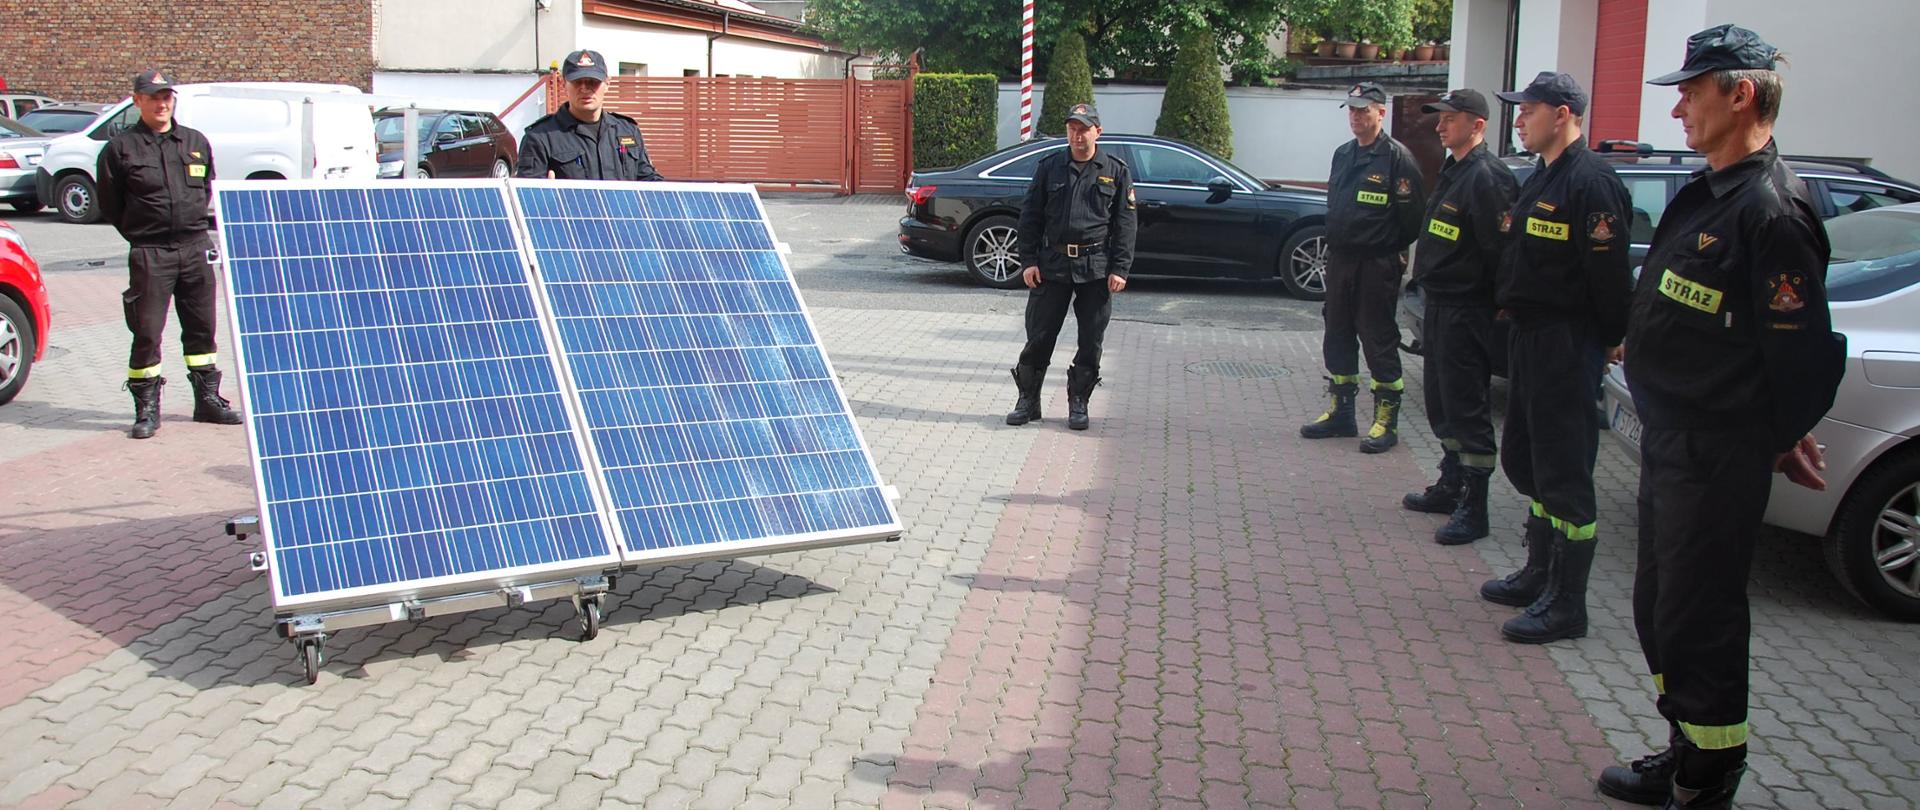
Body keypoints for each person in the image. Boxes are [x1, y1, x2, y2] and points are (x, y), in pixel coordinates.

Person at [1596, 25, 1843, 809]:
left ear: (1740, 95)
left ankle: (1709, 780)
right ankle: (1685, 743)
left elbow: (1802, 357)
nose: (1677, 110)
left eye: (1691, 92)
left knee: (1699, 617)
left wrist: (1774, 434)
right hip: (1676, 439)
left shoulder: (1771, 211)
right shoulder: (1712, 190)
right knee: (1661, 607)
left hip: (1716, 449)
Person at [1478, 72, 1632, 644]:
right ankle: (1539, 573)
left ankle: (1567, 603)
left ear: (1563, 114)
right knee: (1530, 459)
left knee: (1564, 468)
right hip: (1529, 336)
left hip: (1567, 341)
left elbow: (1608, 276)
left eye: (1529, 110)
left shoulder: (1592, 182)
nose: (1519, 120)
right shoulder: (1543, 174)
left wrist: (1611, 336)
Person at [96, 68, 242, 440]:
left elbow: (206, 189)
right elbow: (111, 204)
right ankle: (147, 410)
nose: (162, 104)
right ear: (137, 101)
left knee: (202, 329)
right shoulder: (120, 149)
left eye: (166, 97)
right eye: (153, 97)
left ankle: (207, 401)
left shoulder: (194, 141)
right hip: (151, 252)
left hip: (195, 248)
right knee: (147, 332)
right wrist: (143, 234)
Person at [1400, 89, 1518, 545]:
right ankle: (1451, 483)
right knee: (1442, 402)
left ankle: (1475, 506)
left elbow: (1501, 252)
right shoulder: (1455, 170)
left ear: (1477, 125)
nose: (1440, 126)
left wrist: (1495, 304)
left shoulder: (1487, 177)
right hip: (1440, 306)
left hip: (1468, 310)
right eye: (1440, 118)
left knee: (1467, 408)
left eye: (1450, 118)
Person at [1301, 82, 1425, 453]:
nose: (1355, 116)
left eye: (1363, 110)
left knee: (1377, 337)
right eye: (1352, 110)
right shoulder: (1343, 154)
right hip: (1341, 260)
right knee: (1337, 333)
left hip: (1377, 263)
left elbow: (1411, 220)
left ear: (1381, 112)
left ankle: (1385, 421)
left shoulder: (1398, 158)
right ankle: (1342, 413)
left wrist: (1385, 247)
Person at [1004, 103, 1135, 431]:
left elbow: (1125, 223)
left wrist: (1120, 268)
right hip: (1053, 264)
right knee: (1039, 335)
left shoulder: (1115, 170)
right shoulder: (1050, 167)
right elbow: (1030, 216)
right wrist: (1028, 261)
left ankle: (1079, 401)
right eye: (1072, 129)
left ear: (1097, 132)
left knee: (1091, 339)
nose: (1077, 135)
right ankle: (1027, 400)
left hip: (1096, 267)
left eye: (1084, 129)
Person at [517, 49, 664, 181]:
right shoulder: (540, 138)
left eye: (593, 82)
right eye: (577, 82)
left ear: (607, 83)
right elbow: (528, 196)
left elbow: (648, 181)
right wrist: (546, 195)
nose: (585, 88)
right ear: (563, 84)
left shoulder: (627, 131)